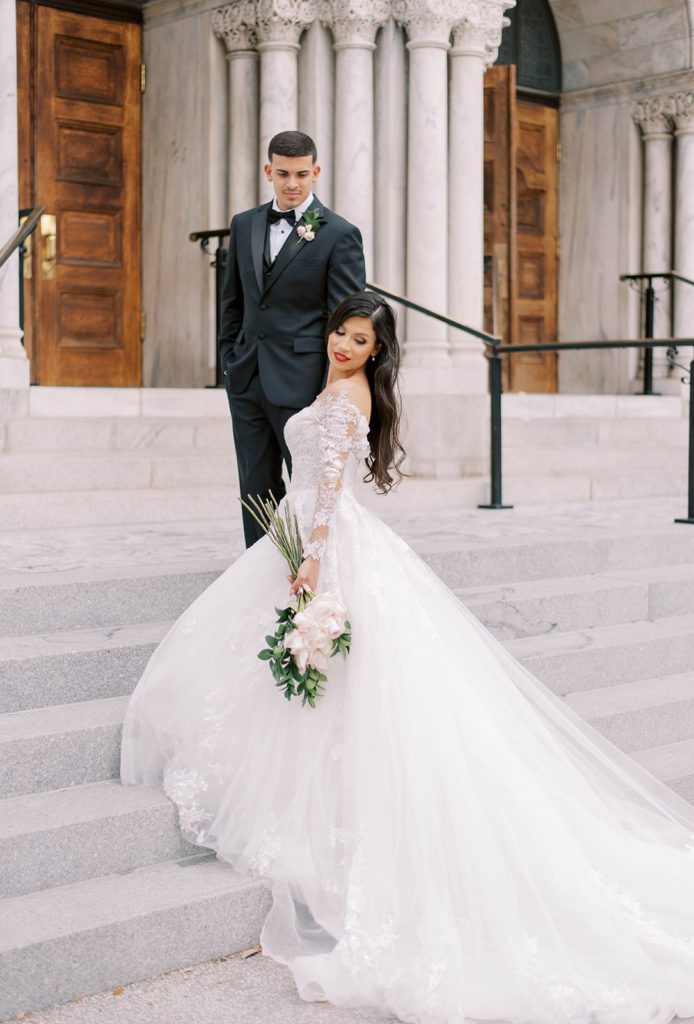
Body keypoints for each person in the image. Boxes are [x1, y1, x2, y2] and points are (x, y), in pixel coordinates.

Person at [122, 292, 694, 1024]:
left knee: (329, 673)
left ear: (376, 352)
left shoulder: (347, 397)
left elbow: (327, 486)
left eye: (359, 340)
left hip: (320, 540)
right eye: (340, 332)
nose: (343, 345)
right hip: (315, 536)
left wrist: (313, 561)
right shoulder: (342, 385)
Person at [218, 129, 366, 548]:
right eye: (283, 173)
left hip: (304, 384)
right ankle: (261, 579)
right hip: (247, 378)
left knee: (308, 491)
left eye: (301, 174)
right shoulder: (244, 224)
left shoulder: (339, 234)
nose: (292, 183)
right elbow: (232, 300)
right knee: (255, 488)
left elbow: (348, 322)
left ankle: (308, 584)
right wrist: (230, 360)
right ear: (269, 171)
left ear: (315, 172)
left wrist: (332, 389)